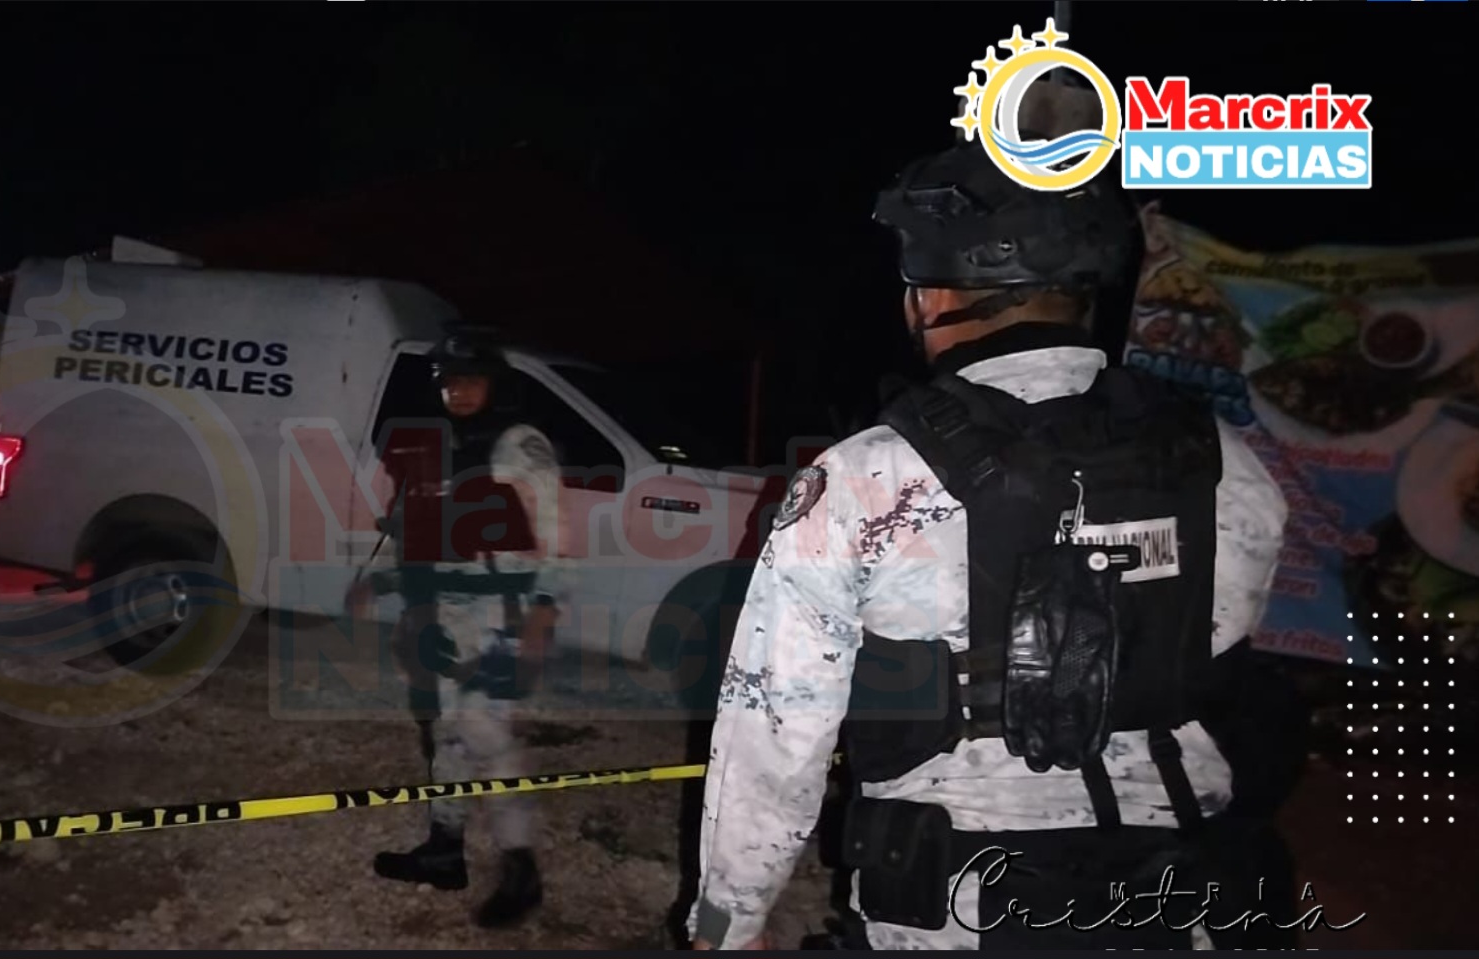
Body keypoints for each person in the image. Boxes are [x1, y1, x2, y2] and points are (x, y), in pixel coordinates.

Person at [688, 144, 1289, 950]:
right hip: (1193, 896)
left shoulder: (869, 479)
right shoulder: (1226, 463)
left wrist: (729, 918)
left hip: (962, 908)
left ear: (930, 294)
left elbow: (774, 730)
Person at [347, 332, 566, 929]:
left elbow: (551, 533)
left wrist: (544, 614)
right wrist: (382, 583)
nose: (458, 390)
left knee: (486, 735)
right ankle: (445, 850)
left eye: (470, 378)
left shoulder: (520, 444)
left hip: (500, 614)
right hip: (442, 613)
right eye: (448, 380)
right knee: (446, 732)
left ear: (495, 383)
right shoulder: (441, 445)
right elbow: (417, 527)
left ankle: (522, 868)